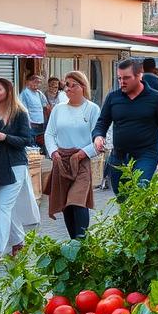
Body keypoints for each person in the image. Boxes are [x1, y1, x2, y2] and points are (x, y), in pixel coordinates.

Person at [0, 78, 38, 271]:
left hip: (14, 166)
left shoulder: (19, 113)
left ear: (8, 91)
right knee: (0, 209)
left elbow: (27, 139)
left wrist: (5, 137)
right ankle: (19, 241)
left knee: (3, 208)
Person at [92, 59, 158, 196]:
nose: (122, 82)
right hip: (119, 156)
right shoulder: (113, 98)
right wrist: (98, 136)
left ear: (139, 75)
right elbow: (102, 123)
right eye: (119, 78)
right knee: (122, 197)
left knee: (140, 189)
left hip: (146, 155)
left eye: (126, 78)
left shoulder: (155, 97)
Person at [44, 70, 100, 239]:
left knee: (77, 201)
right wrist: (53, 152)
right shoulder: (59, 109)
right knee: (66, 204)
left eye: (72, 85)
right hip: (61, 160)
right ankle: (73, 242)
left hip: (81, 161)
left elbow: (99, 137)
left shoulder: (92, 109)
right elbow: (49, 134)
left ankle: (82, 241)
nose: (67, 89)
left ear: (83, 87)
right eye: (65, 85)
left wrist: (84, 153)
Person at [19, 74, 49, 151]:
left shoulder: (39, 93)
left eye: (39, 83)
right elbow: (23, 110)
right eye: (35, 82)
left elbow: (45, 106)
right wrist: (28, 123)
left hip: (40, 123)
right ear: (28, 82)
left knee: (40, 143)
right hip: (31, 123)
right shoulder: (25, 93)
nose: (37, 84)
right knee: (31, 144)